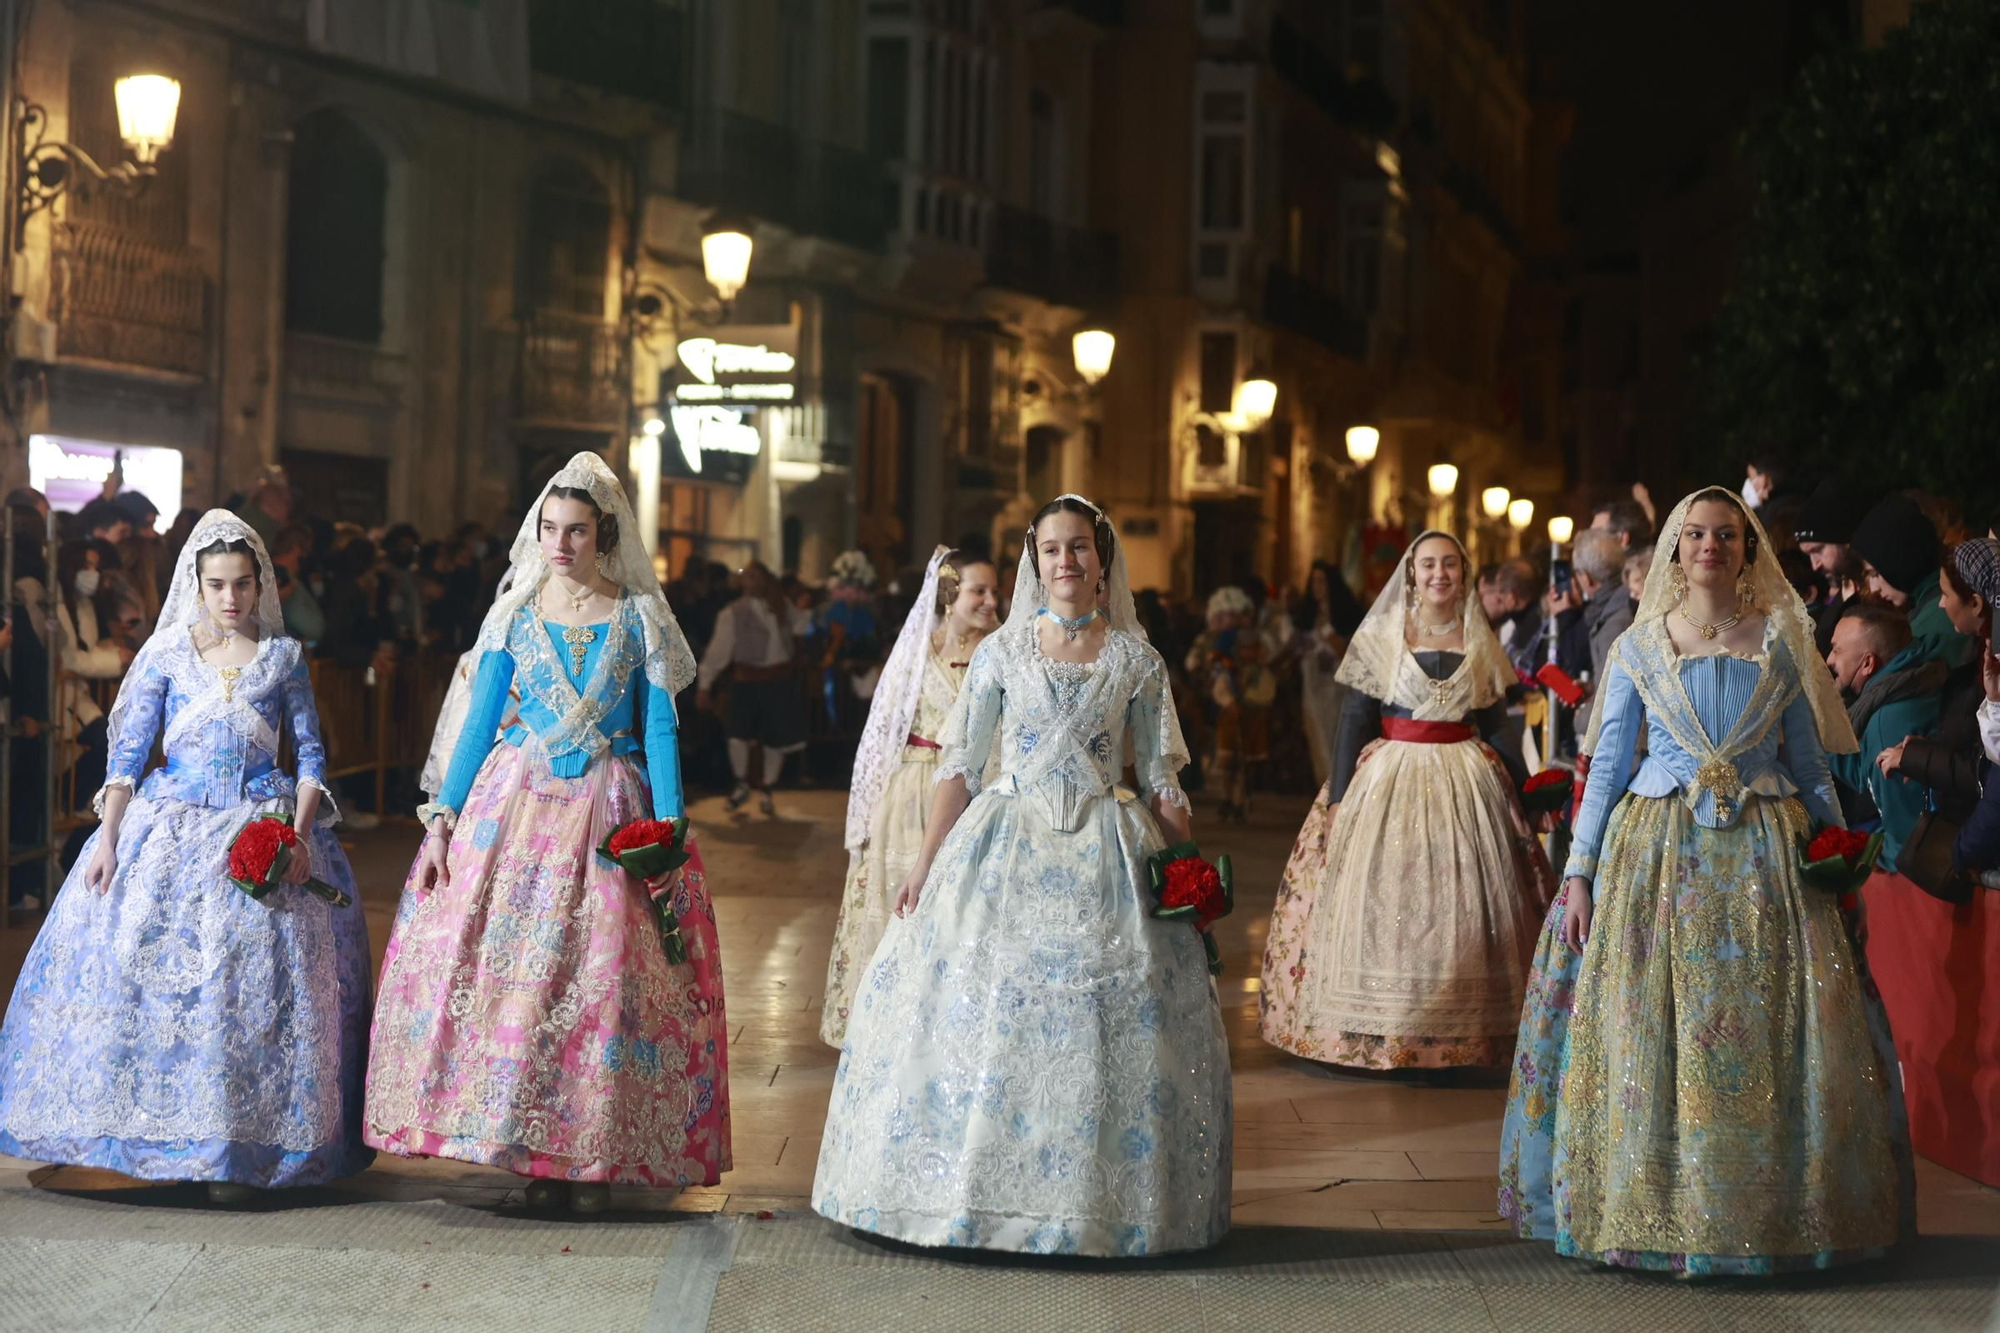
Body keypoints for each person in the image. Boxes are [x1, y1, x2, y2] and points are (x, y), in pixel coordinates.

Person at [1499, 486, 1909, 1273]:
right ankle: (1653, 1207)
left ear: (1745, 549)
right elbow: (1610, 764)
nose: (1710, 547)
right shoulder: (1641, 647)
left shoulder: (1782, 641)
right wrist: (1579, 872)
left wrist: (1834, 857)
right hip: (1660, 855)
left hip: (1766, 861)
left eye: (1725, 534)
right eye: (1695, 535)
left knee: (1769, 1033)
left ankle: (1766, 1212)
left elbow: (1810, 767)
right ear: (1676, 549)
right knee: (1658, 1028)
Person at [813, 495, 1230, 1256]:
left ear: (1103, 559)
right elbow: (961, 767)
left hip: (1107, 846)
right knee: (982, 1009)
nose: (1064, 561)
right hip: (1004, 843)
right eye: (1050, 550)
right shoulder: (1003, 652)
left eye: (1078, 548)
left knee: (1104, 1023)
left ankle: (1094, 1202)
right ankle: (968, 1196)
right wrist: (925, 860)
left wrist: (1189, 878)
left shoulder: (1139, 660)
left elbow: (1164, 780)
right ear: (1033, 562)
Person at [364, 453, 728, 1213]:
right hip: (516, 809)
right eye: (550, 529)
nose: (561, 545)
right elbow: (473, 730)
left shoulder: (638, 618)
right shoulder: (515, 616)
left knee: (601, 987)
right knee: (521, 985)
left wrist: (668, 828)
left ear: (605, 537)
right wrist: (442, 818)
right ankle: (533, 1150)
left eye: (577, 531)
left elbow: (659, 727)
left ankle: (593, 1154)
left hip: (608, 808)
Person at [0, 511, 372, 1200]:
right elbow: (127, 761)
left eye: (240, 584)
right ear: (196, 586)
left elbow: (312, 756)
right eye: (216, 585)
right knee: (162, 979)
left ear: (260, 583)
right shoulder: (167, 655)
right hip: (171, 828)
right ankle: (164, 1140)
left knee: (250, 989)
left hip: (261, 827)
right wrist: (107, 838)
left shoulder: (284, 658)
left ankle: (242, 1145)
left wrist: (297, 831)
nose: (229, 598)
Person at [1260, 531, 1553, 1069]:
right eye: (1428, 565)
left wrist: (1526, 792)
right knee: (1388, 898)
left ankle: (1458, 1032)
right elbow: (1354, 718)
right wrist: (1339, 798)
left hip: (1468, 783)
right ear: (1412, 573)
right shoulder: (1383, 634)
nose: (1439, 573)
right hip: (1389, 779)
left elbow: (1496, 724)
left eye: (1449, 564)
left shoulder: (1478, 637)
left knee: (1461, 903)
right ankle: (1381, 1027)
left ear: (1463, 573)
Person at [821, 547, 1000, 1048]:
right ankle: (889, 1031)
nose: (990, 600)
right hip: (912, 795)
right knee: (904, 911)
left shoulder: (1002, 653)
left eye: (994, 591)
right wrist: (863, 817)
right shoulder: (917, 654)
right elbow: (880, 737)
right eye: (978, 591)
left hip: (975, 798)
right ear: (949, 597)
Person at [1827, 601, 1946, 873]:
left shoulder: (1888, 722)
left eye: (1836, 650)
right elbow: (1864, 769)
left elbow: (1906, 833)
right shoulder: (1915, 678)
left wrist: (1874, 857)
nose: (1829, 660)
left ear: (1868, 663)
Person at [696, 562, 809, 815]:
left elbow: (800, 626)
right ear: (743, 583)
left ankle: (767, 788)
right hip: (747, 680)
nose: (755, 582)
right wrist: (705, 684)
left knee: (775, 739)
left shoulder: (781, 606)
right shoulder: (733, 613)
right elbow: (718, 652)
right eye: (750, 577)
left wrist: (803, 611)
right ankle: (742, 783)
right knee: (737, 735)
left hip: (778, 680)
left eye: (759, 577)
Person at [1850, 493, 1972, 667]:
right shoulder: (1930, 606)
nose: (1874, 587)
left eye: (1876, 573)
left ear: (1900, 561)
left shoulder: (1932, 624)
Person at [1290, 560, 1366, 787]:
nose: (1317, 587)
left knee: (1336, 738)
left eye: (1321, 581)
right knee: (1317, 736)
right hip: (1313, 687)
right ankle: (1322, 789)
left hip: (1336, 689)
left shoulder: (1346, 617)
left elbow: (1350, 654)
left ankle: (1338, 787)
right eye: (1313, 581)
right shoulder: (1308, 617)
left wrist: (1331, 636)